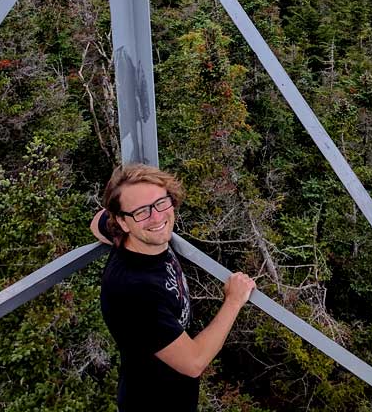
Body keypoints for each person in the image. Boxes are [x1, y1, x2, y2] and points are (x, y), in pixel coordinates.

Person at [91, 164, 256, 411]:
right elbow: (194, 362)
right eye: (142, 212)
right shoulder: (134, 291)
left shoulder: (132, 235)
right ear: (123, 223)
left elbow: (97, 221)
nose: (157, 217)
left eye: (160, 203)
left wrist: (128, 218)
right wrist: (233, 300)